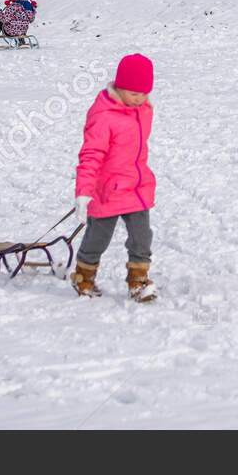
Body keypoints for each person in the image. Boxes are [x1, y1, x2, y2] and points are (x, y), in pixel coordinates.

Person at [70, 54, 158, 303]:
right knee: (98, 238)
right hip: (106, 190)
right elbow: (91, 154)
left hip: (136, 187)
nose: (138, 99)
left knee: (142, 237)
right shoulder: (104, 115)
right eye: (133, 93)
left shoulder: (143, 110)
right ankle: (83, 276)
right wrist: (84, 192)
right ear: (119, 86)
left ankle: (138, 282)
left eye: (143, 94)